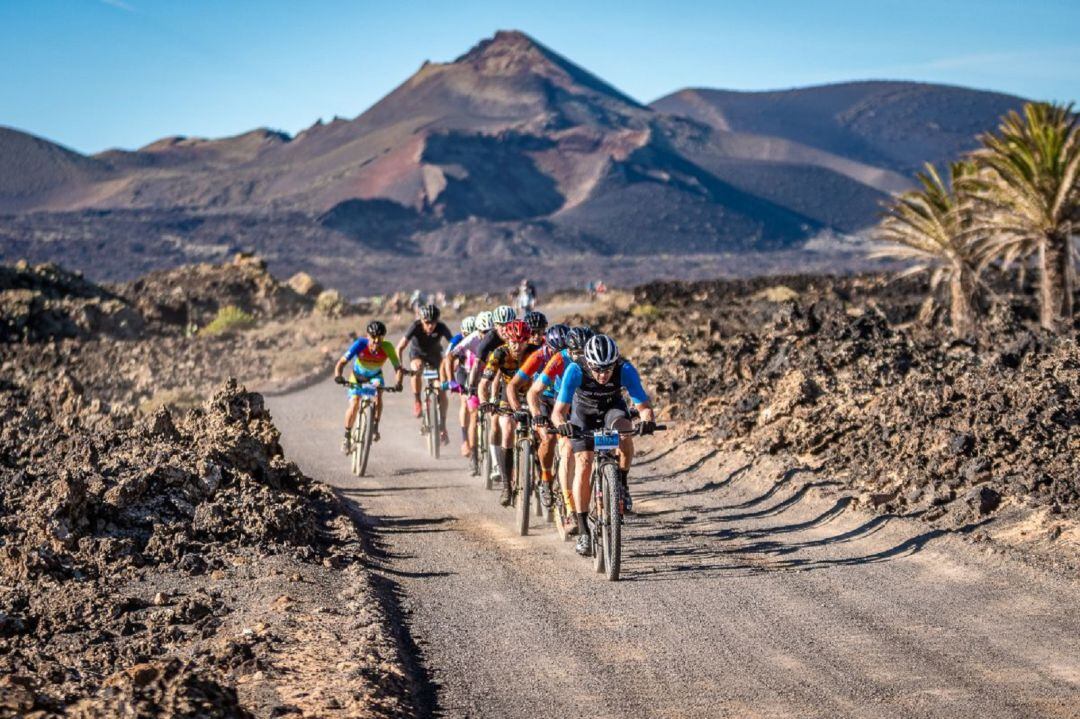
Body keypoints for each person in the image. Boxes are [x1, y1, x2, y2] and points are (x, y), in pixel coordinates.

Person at [551, 334, 656, 557]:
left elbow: (644, 406)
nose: (602, 374)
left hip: (612, 409)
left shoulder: (625, 369)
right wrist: (562, 425)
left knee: (625, 429)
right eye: (597, 369)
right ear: (588, 363)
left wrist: (647, 420)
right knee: (584, 462)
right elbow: (558, 412)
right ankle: (583, 530)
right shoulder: (575, 370)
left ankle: (623, 484)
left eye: (607, 369)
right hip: (583, 414)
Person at [529, 325, 592, 530]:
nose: (582, 358)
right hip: (562, 404)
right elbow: (534, 391)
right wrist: (538, 416)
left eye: (585, 353)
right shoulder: (559, 359)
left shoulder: (596, 360)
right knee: (567, 448)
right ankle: (570, 509)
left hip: (586, 404)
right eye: (577, 353)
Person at [477, 319, 540, 506]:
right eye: (513, 341)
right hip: (508, 395)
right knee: (507, 429)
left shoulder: (535, 352)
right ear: (507, 340)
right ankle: (507, 485)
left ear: (527, 340)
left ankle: (542, 476)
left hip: (532, 394)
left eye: (521, 341)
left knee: (541, 431)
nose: (517, 346)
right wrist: (485, 402)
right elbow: (484, 384)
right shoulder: (499, 353)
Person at [512, 323, 569, 509]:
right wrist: (526, 412)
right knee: (549, 437)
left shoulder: (571, 357)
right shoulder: (539, 356)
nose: (559, 354)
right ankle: (545, 478)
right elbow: (513, 385)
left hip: (563, 399)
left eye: (564, 349)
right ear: (547, 345)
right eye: (555, 350)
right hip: (543, 399)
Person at [334, 320, 403, 453]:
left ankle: (375, 426)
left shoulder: (387, 347)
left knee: (378, 395)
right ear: (367, 336)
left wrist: (398, 383)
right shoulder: (360, 344)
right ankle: (347, 436)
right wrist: (338, 375)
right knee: (354, 404)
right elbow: (341, 362)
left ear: (383, 337)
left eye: (380, 338)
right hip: (357, 376)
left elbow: (398, 368)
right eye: (373, 337)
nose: (376, 341)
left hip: (375, 377)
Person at [396, 304, 453, 444]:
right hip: (417, 355)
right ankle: (417, 401)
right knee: (417, 367)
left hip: (435, 356)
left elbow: (454, 344)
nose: (430, 326)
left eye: (433, 322)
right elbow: (399, 347)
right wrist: (399, 367)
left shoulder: (441, 327)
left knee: (441, 390)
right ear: (421, 320)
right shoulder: (415, 327)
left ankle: (443, 427)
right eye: (427, 322)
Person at [444, 315, 476, 456]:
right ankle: (465, 440)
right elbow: (447, 359)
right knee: (465, 401)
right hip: (464, 370)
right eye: (465, 335)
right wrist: (450, 380)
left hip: (478, 370)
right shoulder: (457, 339)